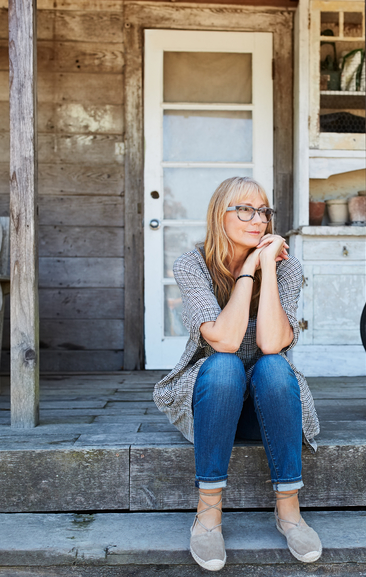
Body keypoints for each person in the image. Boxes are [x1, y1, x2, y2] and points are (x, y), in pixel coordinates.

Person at [153, 176, 321, 571]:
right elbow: (224, 341)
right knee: (226, 365)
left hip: (269, 408)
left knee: (274, 367)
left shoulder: (286, 267)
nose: (258, 219)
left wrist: (265, 265)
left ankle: (289, 512)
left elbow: (272, 342)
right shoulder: (193, 264)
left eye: (263, 210)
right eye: (245, 209)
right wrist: (247, 271)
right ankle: (208, 515)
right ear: (220, 215)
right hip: (214, 401)